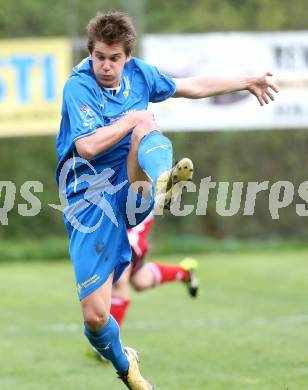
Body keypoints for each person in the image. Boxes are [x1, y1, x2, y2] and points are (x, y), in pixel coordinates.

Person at [55, 11, 278, 390]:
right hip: (87, 202)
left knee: (145, 125)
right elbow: (87, 146)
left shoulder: (141, 74)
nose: (106, 66)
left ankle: (161, 179)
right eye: (99, 57)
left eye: (114, 58)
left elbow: (192, 85)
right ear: (90, 53)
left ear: (128, 57)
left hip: (130, 186)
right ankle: (126, 365)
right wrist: (132, 118)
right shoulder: (79, 87)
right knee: (95, 318)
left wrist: (246, 82)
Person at [87, 213, 198, 363]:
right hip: (119, 233)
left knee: (119, 284)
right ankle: (183, 272)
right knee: (140, 281)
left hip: (129, 236)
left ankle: (107, 346)